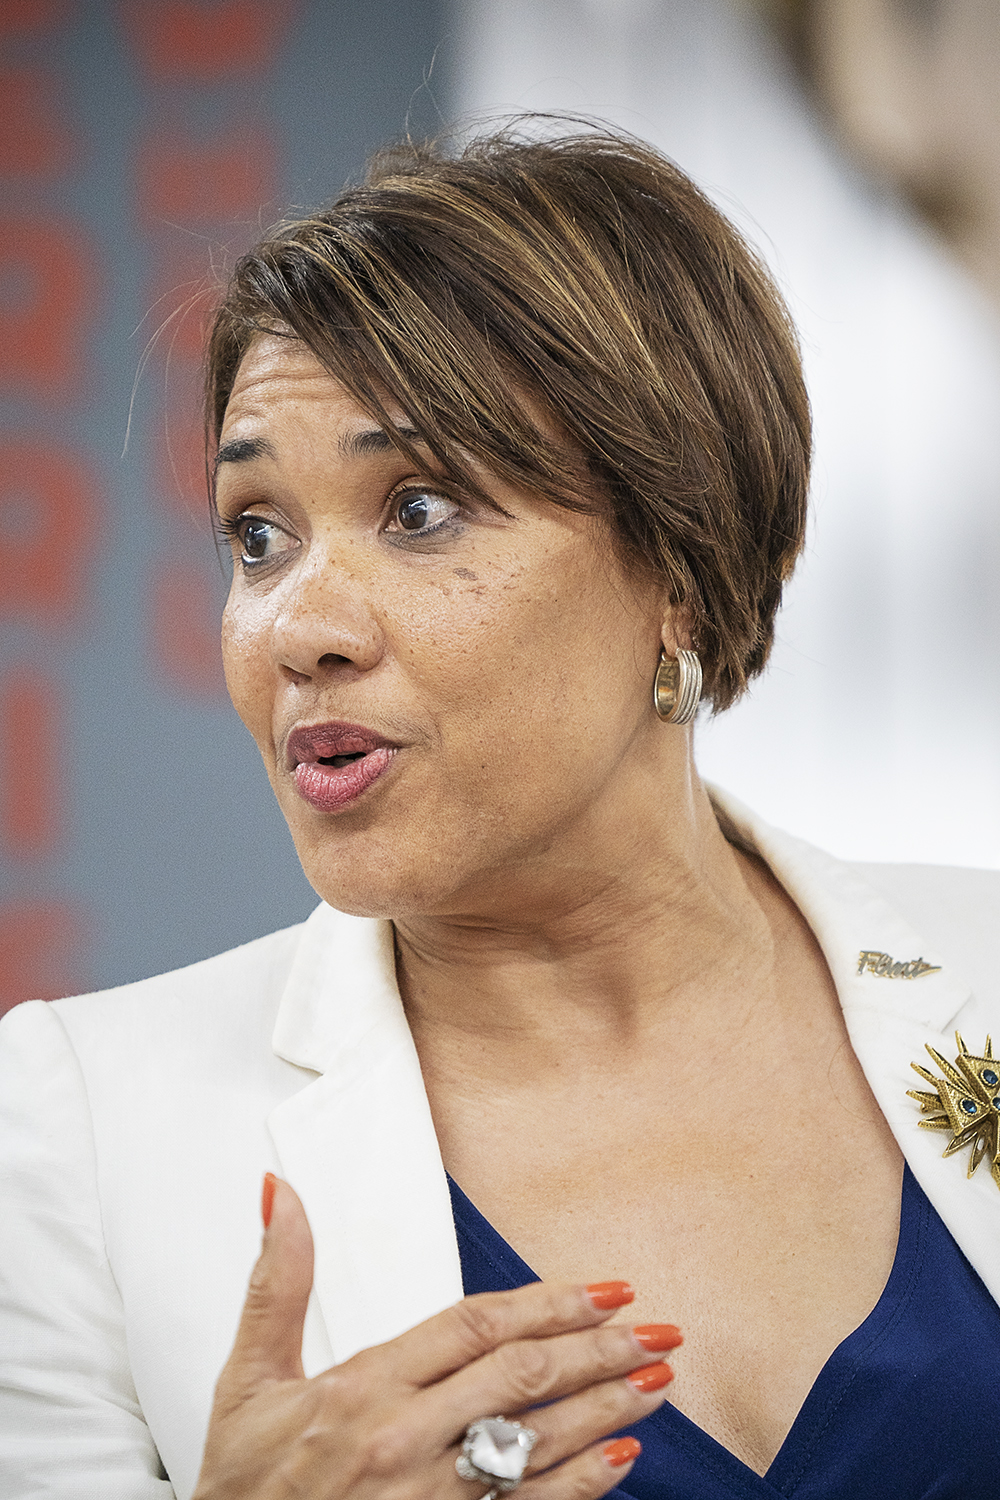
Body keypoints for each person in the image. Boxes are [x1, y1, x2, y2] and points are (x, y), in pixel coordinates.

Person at [2, 120, 999, 1500]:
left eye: (417, 508)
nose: (300, 628)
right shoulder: (76, 1133)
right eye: (256, 533)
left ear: (684, 571)